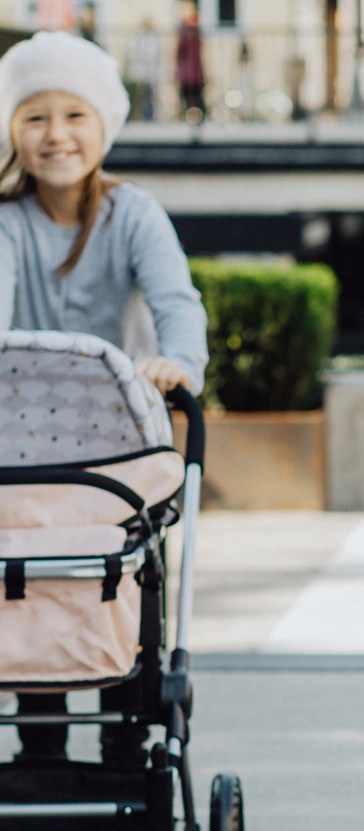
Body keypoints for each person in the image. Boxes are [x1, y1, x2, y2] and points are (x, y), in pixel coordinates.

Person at [0, 30, 208, 765]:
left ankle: (124, 754)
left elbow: (175, 299)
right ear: (11, 130)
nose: (56, 135)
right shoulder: (6, 222)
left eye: (74, 115)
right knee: (31, 592)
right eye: (34, 117)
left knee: (121, 588)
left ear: (104, 123)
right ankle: (39, 761)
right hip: (19, 453)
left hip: (118, 446)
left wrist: (178, 364)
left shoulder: (133, 214)